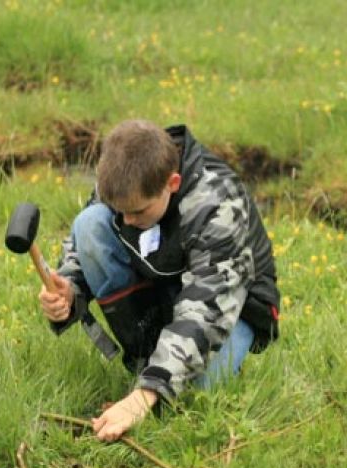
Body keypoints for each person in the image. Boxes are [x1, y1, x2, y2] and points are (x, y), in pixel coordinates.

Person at [39, 119, 280, 442]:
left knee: (194, 399)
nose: (126, 222)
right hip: (162, 278)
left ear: (173, 183)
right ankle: (146, 359)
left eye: (137, 212)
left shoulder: (217, 204)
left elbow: (206, 311)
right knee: (89, 224)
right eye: (119, 210)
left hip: (233, 307)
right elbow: (84, 247)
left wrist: (145, 395)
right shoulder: (123, 177)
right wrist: (68, 289)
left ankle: (155, 376)